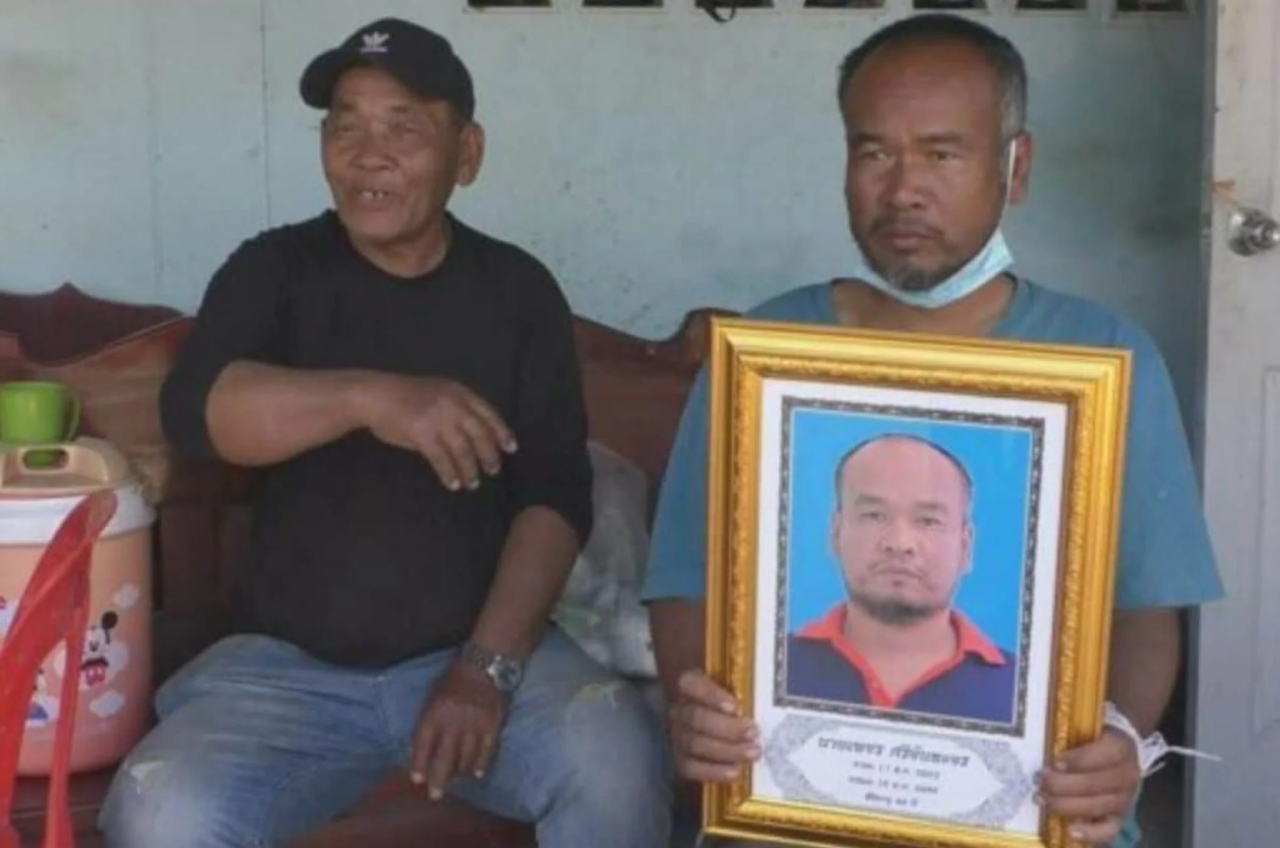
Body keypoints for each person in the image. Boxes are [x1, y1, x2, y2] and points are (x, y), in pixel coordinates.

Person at [643, 13, 1222, 848]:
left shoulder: (1106, 355)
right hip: (794, 814)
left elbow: (1145, 606)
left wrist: (1123, 740)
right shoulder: (765, 356)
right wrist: (695, 708)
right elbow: (686, 578)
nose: (903, 190)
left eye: (943, 154)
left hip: (1035, 821)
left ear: (1015, 168)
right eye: (873, 152)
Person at [98, 17, 670, 848]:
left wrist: (486, 668)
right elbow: (199, 413)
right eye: (346, 127)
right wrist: (372, 398)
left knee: (615, 760)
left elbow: (554, 496)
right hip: (283, 677)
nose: (369, 155)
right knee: (159, 811)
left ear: (466, 153)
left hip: (477, 656)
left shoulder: (516, 292)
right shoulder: (275, 270)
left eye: (403, 127)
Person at [787, 433, 1017, 724]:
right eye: (874, 515)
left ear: (965, 547)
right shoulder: (764, 669)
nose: (899, 543)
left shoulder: (1027, 694)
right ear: (835, 533)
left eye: (928, 521)